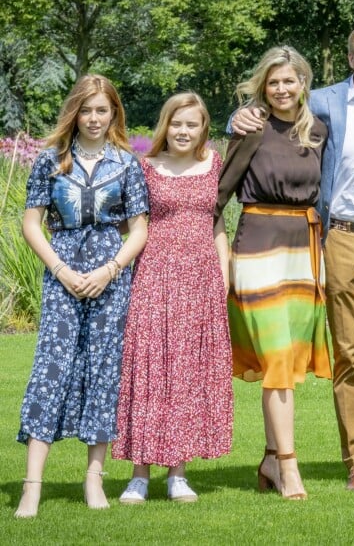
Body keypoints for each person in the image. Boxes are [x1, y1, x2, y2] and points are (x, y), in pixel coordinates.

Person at [231, 22, 354, 491]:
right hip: (341, 237)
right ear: (351, 56)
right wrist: (238, 118)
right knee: (348, 354)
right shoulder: (324, 100)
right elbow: (273, 105)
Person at [14, 74, 149, 518]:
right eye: (86, 110)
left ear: (114, 114)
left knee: (104, 369)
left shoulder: (126, 164)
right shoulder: (50, 161)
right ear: (75, 112)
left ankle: (94, 480)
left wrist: (110, 270)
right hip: (62, 273)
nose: (94, 118)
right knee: (51, 369)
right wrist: (61, 269)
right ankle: (32, 485)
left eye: (102, 110)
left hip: (111, 277)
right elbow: (32, 222)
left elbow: (139, 229)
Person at [215, 46, 332, 500]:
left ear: (304, 82)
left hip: (304, 250)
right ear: (263, 86)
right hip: (258, 247)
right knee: (279, 359)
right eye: (274, 82)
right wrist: (217, 258)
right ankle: (288, 466)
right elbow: (218, 195)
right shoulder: (251, 129)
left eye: (291, 81)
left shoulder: (319, 130)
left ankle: (268, 457)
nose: (282, 89)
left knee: (286, 361)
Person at [112, 92, 233, 504]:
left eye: (192, 124)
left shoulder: (215, 165)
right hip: (154, 276)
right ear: (166, 124)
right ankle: (139, 474)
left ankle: (177, 472)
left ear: (203, 128)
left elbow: (218, 226)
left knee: (187, 373)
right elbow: (131, 224)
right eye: (177, 123)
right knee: (147, 369)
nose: (184, 131)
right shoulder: (144, 167)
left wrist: (224, 275)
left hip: (201, 278)